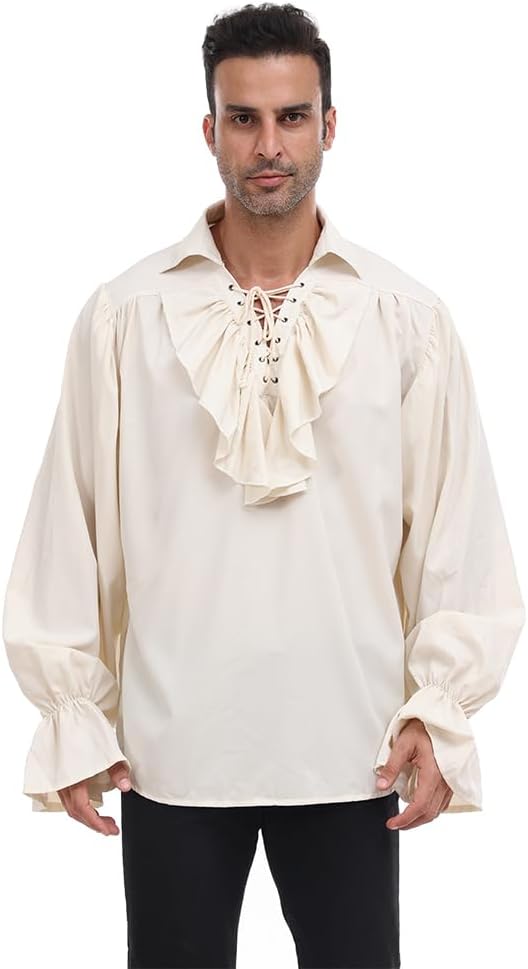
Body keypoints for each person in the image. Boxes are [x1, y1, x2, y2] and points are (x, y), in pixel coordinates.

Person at [2, 4, 525, 968]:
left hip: (353, 750)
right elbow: (68, 523)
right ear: (210, 130)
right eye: (243, 118)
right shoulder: (125, 317)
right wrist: (72, 712)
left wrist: (438, 707)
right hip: (170, 755)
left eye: (292, 116)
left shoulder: (406, 318)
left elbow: (459, 529)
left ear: (331, 124)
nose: (269, 145)